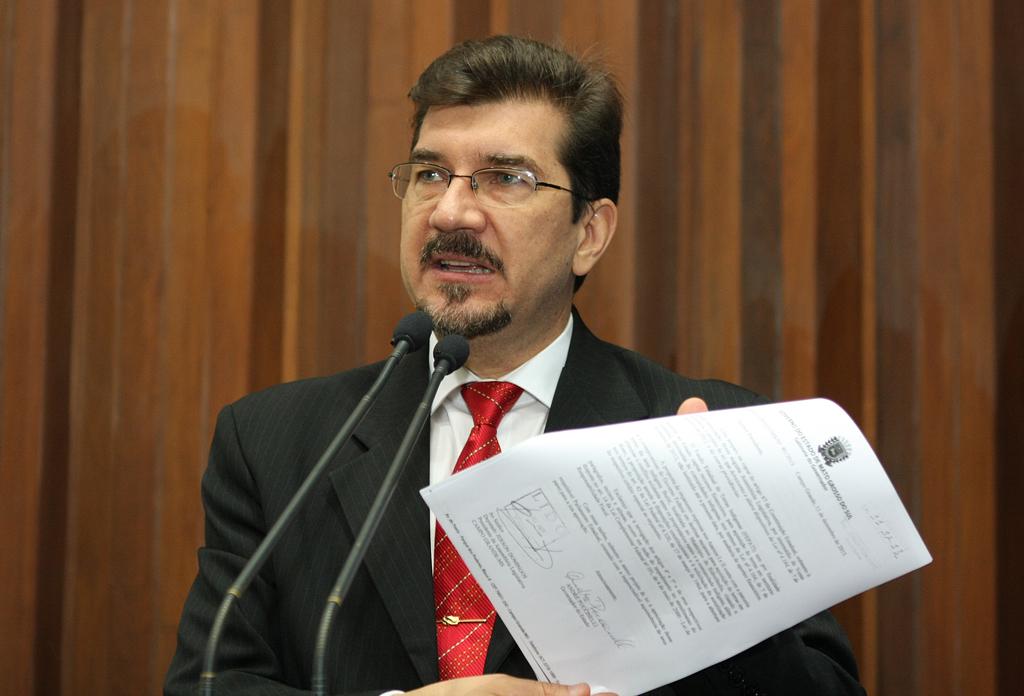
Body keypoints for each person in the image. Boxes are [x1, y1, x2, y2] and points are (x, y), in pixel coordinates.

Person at [165, 35, 865, 696]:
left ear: (589, 233)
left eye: (505, 178)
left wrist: (717, 583)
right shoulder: (276, 443)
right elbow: (209, 682)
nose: (451, 213)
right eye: (430, 174)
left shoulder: (705, 436)